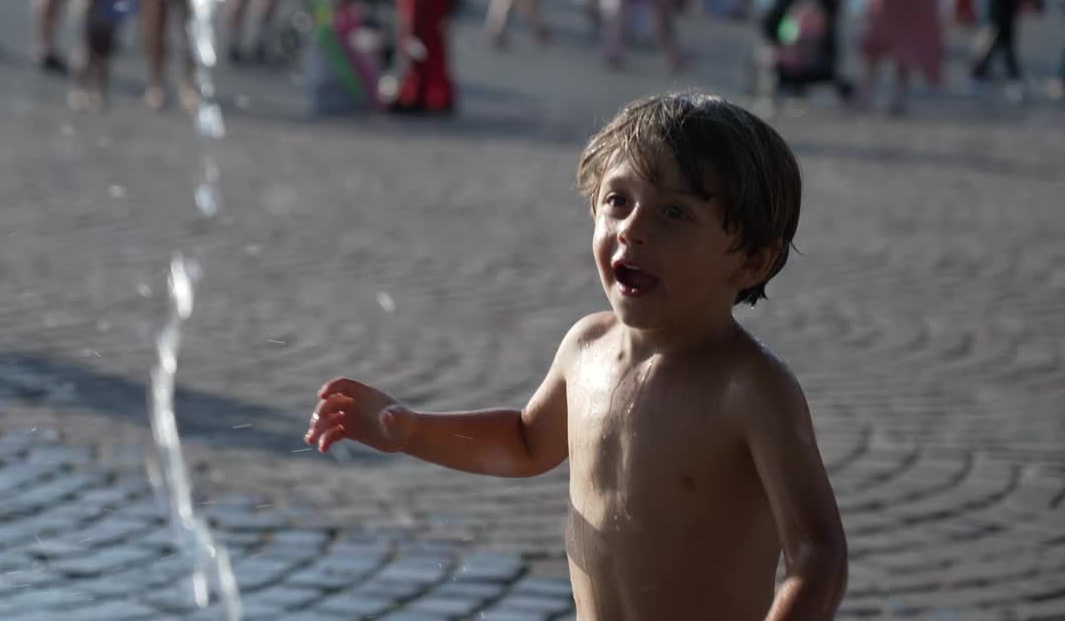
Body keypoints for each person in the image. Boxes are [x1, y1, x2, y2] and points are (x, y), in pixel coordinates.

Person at [306, 91, 848, 620]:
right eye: (618, 200)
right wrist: (410, 431)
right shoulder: (586, 347)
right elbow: (524, 441)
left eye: (676, 213)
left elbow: (818, 556)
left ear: (753, 260)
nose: (633, 228)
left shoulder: (749, 389)